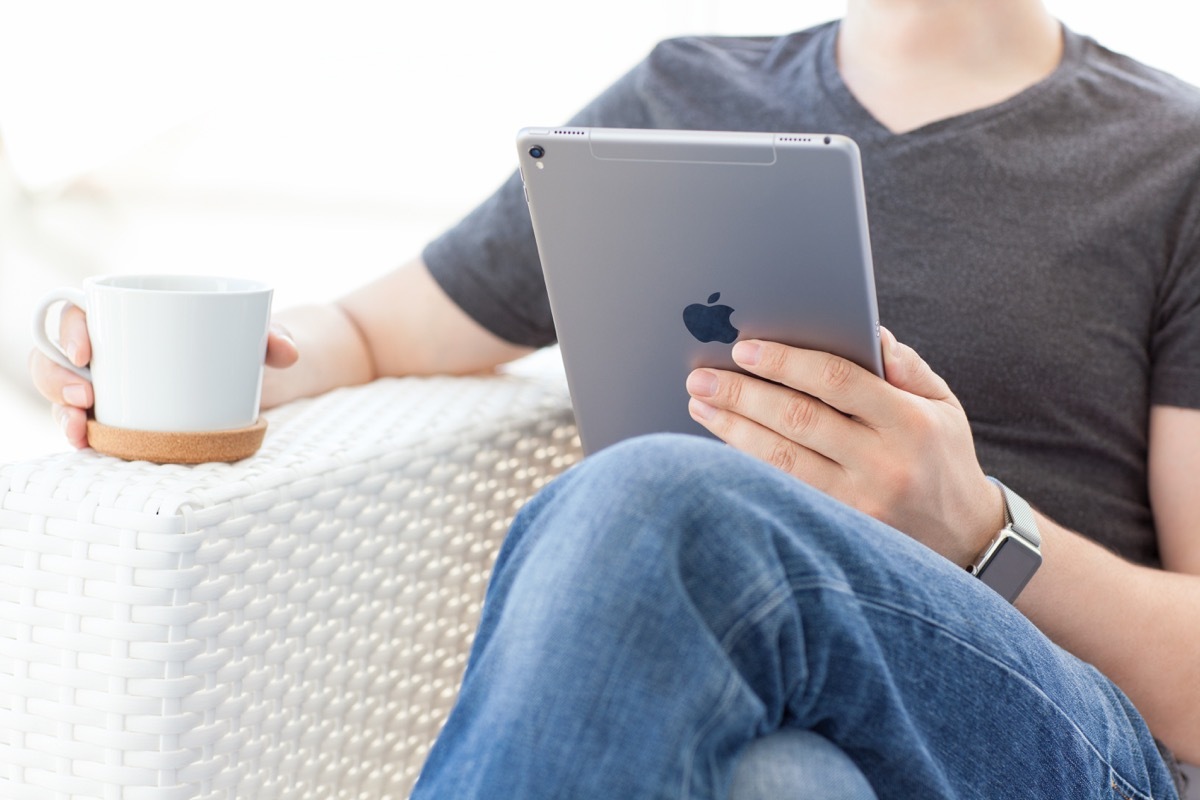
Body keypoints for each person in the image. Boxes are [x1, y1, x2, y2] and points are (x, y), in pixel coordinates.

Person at [29, 0, 1200, 796]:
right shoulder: (684, 94)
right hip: (765, 715)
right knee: (775, 783)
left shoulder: (1171, 161)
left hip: (1065, 742)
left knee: (655, 489)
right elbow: (378, 329)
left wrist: (975, 528)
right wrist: (171, 356)